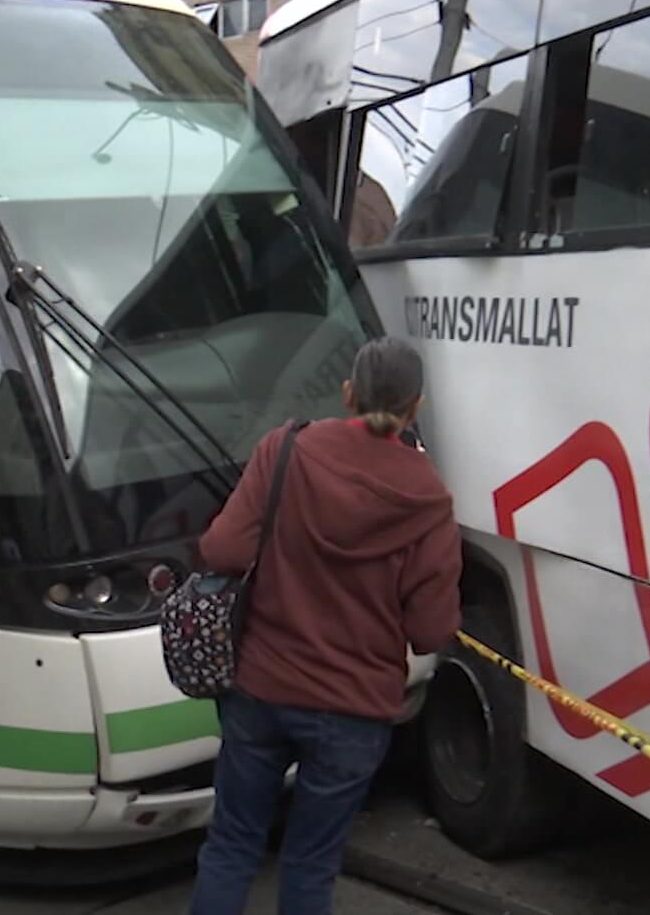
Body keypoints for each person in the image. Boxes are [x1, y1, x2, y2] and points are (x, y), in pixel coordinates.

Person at [189, 336, 462, 915]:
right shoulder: (429, 499)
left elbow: (221, 549)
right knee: (311, 864)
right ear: (415, 407)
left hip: (261, 688)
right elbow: (431, 631)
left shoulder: (285, 450)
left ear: (347, 394)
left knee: (233, 844)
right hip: (354, 711)